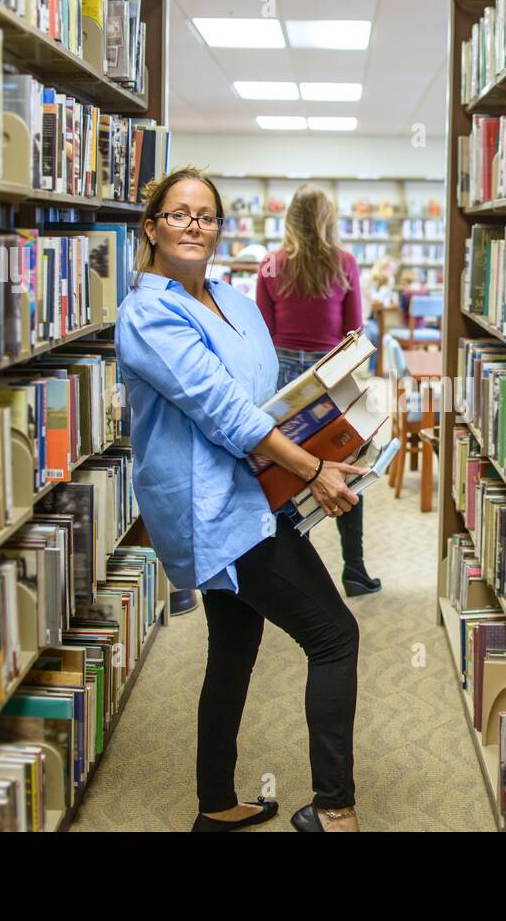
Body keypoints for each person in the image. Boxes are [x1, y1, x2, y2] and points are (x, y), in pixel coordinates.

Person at [115, 166, 364, 833]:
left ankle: (215, 804)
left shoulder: (235, 296)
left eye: (206, 215)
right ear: (151, 227)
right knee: (335, 635)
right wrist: (312, 467)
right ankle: (335, 810)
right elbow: (224, 409)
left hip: (257, 493)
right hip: (217, 511)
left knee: (233, 645)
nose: (194, 225)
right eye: (179, 214)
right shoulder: (147, 311)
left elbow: (264, 390)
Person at [256, 184, 382, 597]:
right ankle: (356, 570)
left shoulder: (271, 265)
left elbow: (262, 334)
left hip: (286, 377)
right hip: (331, 374)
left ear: (290, 217)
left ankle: (294, 578)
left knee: (289, 471)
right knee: (347, 465)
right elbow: (354, 329)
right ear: (330, 219)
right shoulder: (344, 263)